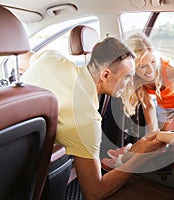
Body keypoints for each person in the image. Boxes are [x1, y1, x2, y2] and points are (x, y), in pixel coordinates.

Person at [21, 37, 165, 199]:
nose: (131, 83)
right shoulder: (87, 120)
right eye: (127, 77)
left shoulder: (52, 58)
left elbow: (21, 58)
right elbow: (94, 192)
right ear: (105, 75)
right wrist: (141, 156)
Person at [103, 33, 174, 162]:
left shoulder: (169, 71)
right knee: (153, 136)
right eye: (142, 66)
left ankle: (126, 159)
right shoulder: (135, 79)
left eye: (153, 62)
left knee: (167, 136)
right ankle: (128, 153)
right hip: (166, 105)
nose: (150, 71)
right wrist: (152, 133)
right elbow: (148, 105)